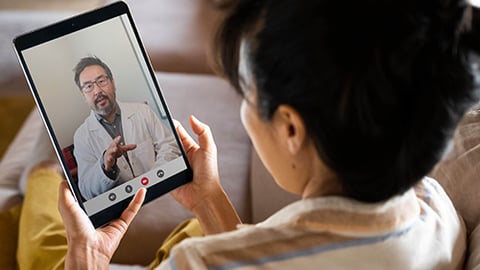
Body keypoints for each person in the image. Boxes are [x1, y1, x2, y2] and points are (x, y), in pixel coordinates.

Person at [17, 0, 479, 268]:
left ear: (292, 128)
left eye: (247, 92)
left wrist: (87, 261)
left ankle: (37, 182)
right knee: (188, 226)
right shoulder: (434, 208)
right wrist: (210, 200)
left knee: (52, 238)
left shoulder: (199, 263)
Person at [73, 57, 181, 199]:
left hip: (161, 194)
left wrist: (152, 181)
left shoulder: (143, 111)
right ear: (83, 95)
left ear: (113, 83)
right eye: (88, 86)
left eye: (101, 81)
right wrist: (105, 166)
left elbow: (170, 145)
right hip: (123, 208)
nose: (97, 90)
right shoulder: (81, 136)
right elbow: (87, 191)